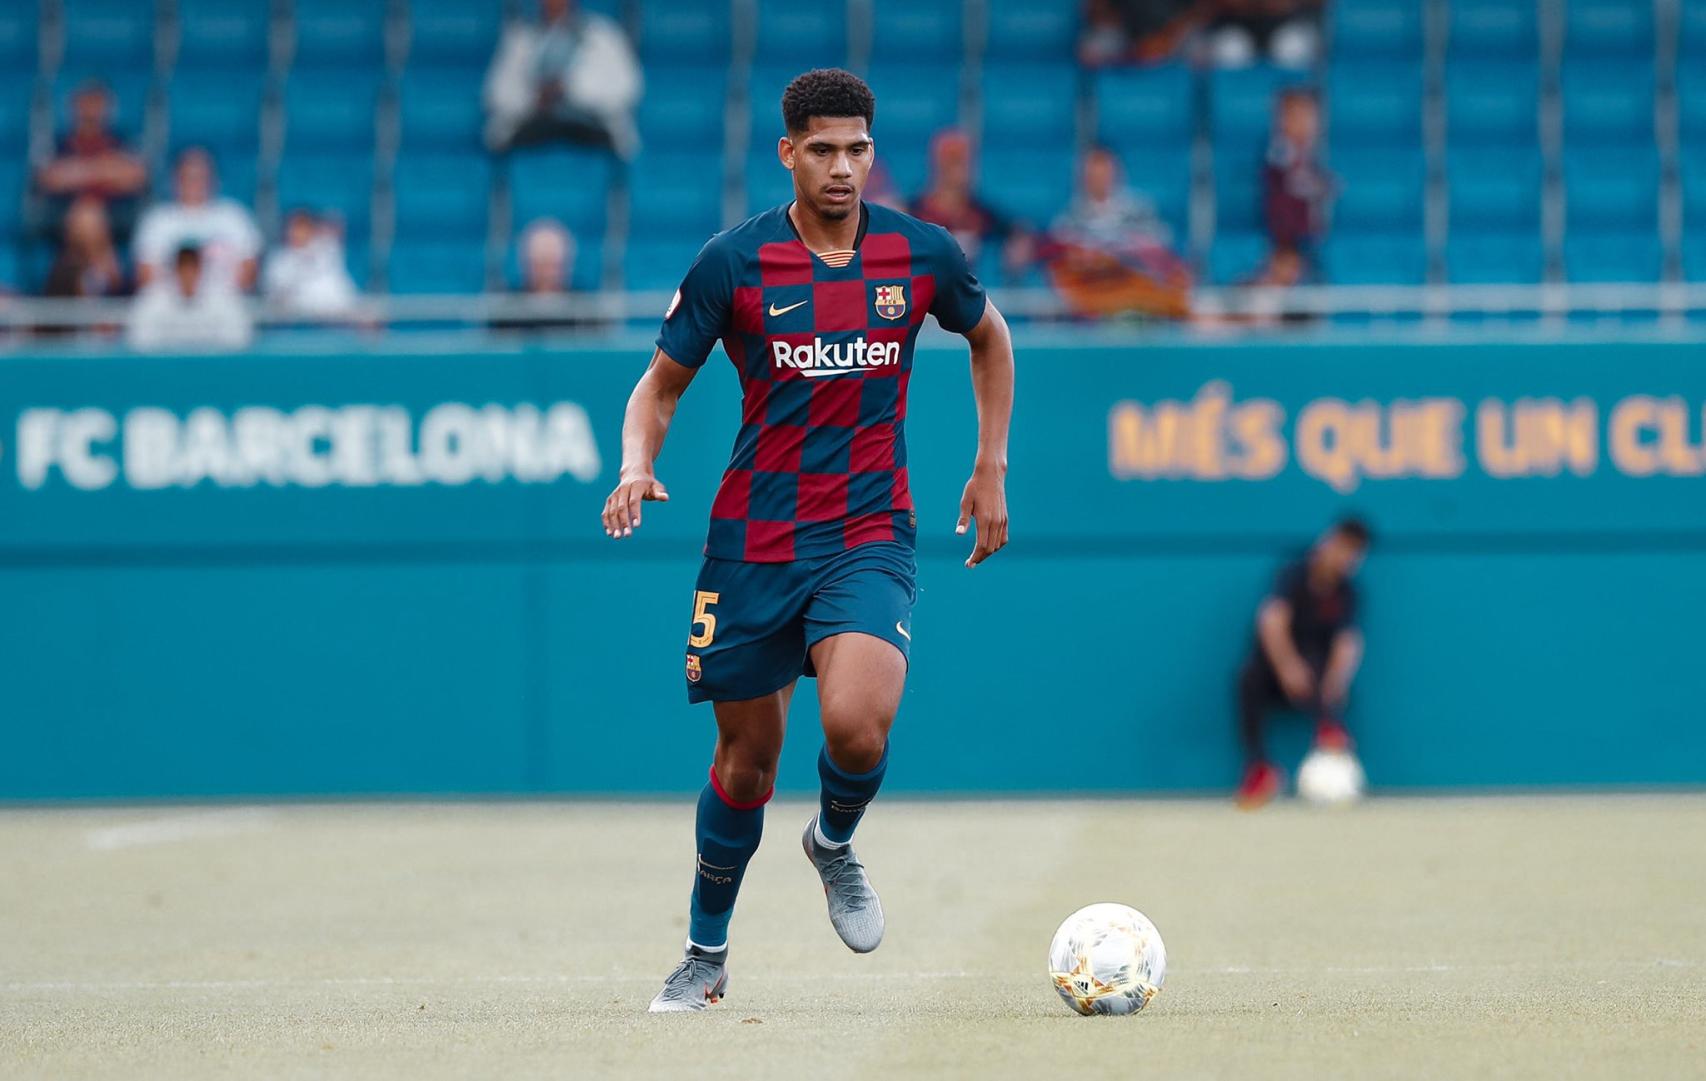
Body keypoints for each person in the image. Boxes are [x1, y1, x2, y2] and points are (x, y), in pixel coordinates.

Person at [601, 69, 1014, 1013]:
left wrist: (990, 464)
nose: (841, 168)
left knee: (857, 724)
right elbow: (659, 386)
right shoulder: (733, 263)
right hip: (754, 542)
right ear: (787, 152)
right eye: (822, 150)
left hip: (868, 531)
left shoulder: (920, 253)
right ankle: (705, 953)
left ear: (873, 152)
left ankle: (832, 840)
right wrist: (634, 462)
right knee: (746, 761)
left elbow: (989, 337)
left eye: (856, 150)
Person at [1234, 518, 1371, 809]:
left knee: (1319, 665)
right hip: (1276, 672)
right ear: (1329, 542)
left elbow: (1348, 641)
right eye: (1343, 548)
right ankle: (1260, 768)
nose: (1346, 558)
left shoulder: (1348, 592)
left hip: (1316, 675)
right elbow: (1271, 621)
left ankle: (1330, 730)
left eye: (1354, 553)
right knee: (1248, 679)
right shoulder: (1294, 574)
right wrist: (1287, 666)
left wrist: (1337, 681)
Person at [1045, 145, 1191, 318]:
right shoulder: (1069, 218)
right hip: (1095, 290)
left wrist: (1124, 252)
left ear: (1116, 173)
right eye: (1094, 174)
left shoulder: (1140, 210)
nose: (1099, 179)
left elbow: (1160, 244)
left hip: (1134, 284)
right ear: (1084, 177)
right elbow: (1065, 259)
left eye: (1104, 173)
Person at [483, 0, 642, 159]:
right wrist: (534, 97)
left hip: (591, 129)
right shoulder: (520, 39)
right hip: (534, 128)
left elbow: (627, 89)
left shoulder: (604, 35)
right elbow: (496, 95)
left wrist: (570, 89)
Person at [132, 148, 262, 295]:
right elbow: (145, 274)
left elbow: (249, 270)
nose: (194, 183)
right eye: (188, 177)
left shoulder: (234, 216)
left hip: (223, 298)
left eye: (200, 177)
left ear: (213, 180)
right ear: (175, 180)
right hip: (169, 298)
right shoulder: (157, 220)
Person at [908, 129, 1029, 281]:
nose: (962, 170)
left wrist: (1018, 247)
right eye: (954, 161)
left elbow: (1017, 232)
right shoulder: (915, 213)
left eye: (966, 162)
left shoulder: (980, 213)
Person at [35, 80, 148, 237]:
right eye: (86, 102)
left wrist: (77, 171)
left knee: (89, 214)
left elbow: (136, 177)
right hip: (64, 212)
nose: (91, 110)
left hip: (115, 211)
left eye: (97, 103)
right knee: (86, 213)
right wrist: (106, 169)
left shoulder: (122, 142)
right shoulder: (58, 144)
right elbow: (48, 179)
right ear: (74, 106)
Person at [126, 243, 254, 352]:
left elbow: (239, 341)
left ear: (201, 269)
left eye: (193, 266)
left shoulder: (224, 300)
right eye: (183, 266)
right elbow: (139, 342)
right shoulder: (152, 300)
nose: (188, 273)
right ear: (174, 269)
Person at [1263, 87, 1333, 276]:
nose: (1303, 124)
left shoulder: (1312, 152)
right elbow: (1292, 182)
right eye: (1295, 117)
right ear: (1281, 121)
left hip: (1306, 236)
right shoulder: (1279, 151)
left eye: (1308, 117)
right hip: (1285, 235)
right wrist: (1321, 186)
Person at [261, 209, 359, 318]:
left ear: (311, 229)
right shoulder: (278, 260)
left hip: (339, 312)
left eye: (303, 227)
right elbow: (274, 297)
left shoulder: (328, 248)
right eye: (294, 228)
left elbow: (337, 224)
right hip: (298, 318)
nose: (298, 233)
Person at [44, 195, 128, 300]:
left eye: (95, 223)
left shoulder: (116, 267)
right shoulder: (63, 270)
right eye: (85, 224)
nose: (89, 231)